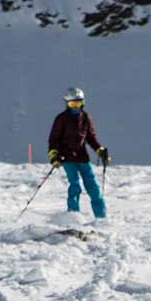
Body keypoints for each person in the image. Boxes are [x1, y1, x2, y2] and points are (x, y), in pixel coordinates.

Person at [46, 87, 109, 223]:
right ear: (67, 104)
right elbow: (53, 140)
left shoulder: (85, 117)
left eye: (79, 103)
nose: (76, 107)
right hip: (67, 158)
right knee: (75, 186)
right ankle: (72, 217)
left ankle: (102, 218)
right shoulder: (61, 119)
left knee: (93, 187)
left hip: (82, 158)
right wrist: (54, 155)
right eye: (73, 104)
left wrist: (100, 150)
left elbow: (91, 138)